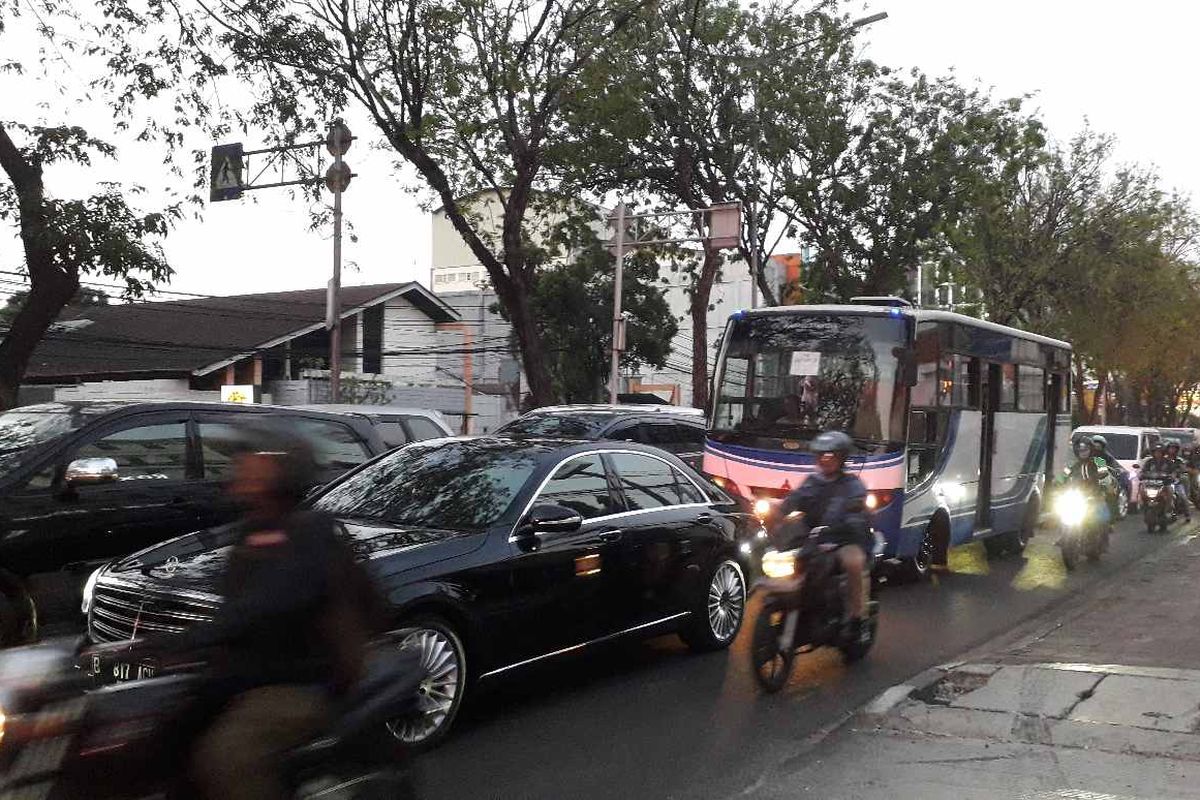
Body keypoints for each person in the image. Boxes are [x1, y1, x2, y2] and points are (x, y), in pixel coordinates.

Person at [166, 425, 382, 800]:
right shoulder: (251, 533)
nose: (240, 467)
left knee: (225, 755)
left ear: (284, 471)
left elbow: (269, 603)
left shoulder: (311, 532)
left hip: (305, 682)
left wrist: (182, 641)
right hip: (245, 676)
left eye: (253, 460)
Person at [765, 430, 872, 642]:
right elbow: (794, 500)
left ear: (841, 458)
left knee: (853, 563)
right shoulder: (812, 481)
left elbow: (856, 509)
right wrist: (775, 514)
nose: (826, 459)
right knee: (794, 564)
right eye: (822, 455)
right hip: (815, 539)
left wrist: (851, 519)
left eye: (831, 455)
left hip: (845, 539)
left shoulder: (853, 485)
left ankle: (857, 620)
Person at [1089, 435, 1129, 516]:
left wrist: (1116, 471)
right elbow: (1070, 470)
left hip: (1099, 485)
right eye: (1094, 446)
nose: (1096, 448)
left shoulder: (1103, 459)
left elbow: (1105, 472)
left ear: (1102, 447)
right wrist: (1060, 479)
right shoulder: (1083, 458)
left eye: (1098, 446)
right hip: (1085, 485)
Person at [1165, 442, 1192, 522]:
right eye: (1170, 448)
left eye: (1174, 448)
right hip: (1165, 482)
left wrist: (1177, 472)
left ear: (1177, 450)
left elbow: (1183, 469)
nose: (1172, 450)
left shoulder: (1179, 460)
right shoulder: (1164, 459)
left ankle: (1187, 514)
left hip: (1176, 482)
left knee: (1183, 497)